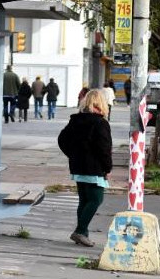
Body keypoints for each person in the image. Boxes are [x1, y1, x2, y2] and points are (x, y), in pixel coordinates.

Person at [57, 89, 112, 248]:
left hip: (77, 167)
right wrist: (107, 167)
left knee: (84, 200)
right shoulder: (100, 123)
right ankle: (80, 231)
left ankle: (83, 233)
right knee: (96, 199)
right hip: (94, 168)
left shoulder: (75, 120)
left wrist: (73, 155)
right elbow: (104, 148)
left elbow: (62, 139)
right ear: (100, 104)